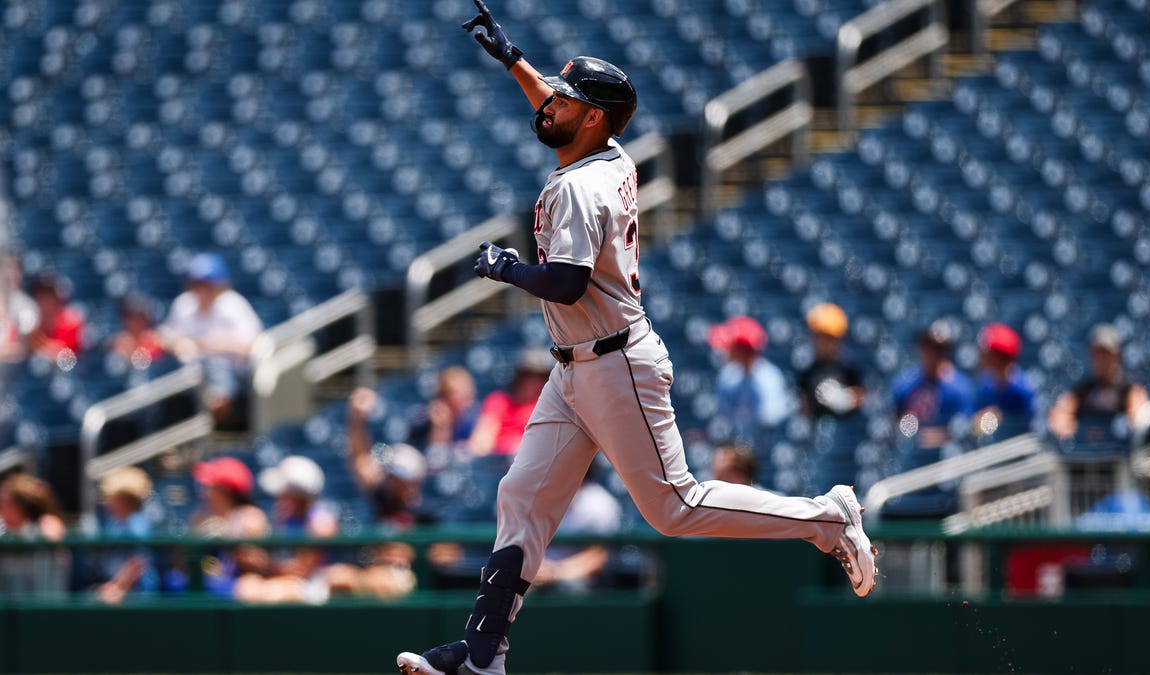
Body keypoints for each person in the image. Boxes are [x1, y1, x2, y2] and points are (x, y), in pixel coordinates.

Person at [394, 4, 876, 674]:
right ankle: (483, 655)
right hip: (578, 367)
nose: (549, 104)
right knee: (521, 496)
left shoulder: (581, 189)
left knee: (674, 507)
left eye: (566, 100)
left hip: (614, 363)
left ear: (591, 116)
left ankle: (827, 518)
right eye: (555, 93)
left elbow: (564, 282)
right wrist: (514, 61)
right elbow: (563, 110)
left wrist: (505, 267)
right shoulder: (605, 149)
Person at [158, 253, 263, 425]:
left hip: (231, 372)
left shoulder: (233, 305)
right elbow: (164, 336)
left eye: (206, 284)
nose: (201, 290)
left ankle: (216, 419)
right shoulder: (184, 305)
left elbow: (255, 344)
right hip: (191, 369)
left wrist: (219, 344)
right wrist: (178, 344)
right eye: (196, 284)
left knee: (218, 370)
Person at [234, 455, 337, 604]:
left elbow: (301, 572)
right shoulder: (286, 515)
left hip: (316, 585)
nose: (279, 498)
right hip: (290, 581)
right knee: (247, 585)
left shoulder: (321, 522)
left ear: (296, 495)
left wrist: (264, 563)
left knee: (258, 590)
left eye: (284, 493)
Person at [347, 387, 437, 529]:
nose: (392, 481)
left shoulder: (427, 514)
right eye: (391, 476)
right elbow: (361, 460)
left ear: (414, 481)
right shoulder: (382, 498)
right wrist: (357, 419)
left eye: (399, 478)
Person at [1048, 323, 1149, 442]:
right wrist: (1068, 428)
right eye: (1097, 354)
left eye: (1106, 354)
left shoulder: (1130, 391)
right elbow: (1060, 414)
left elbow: (1140, 418)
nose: (1102, 360)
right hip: (1087, 457)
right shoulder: (1082, 392)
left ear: (1117, 356)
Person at [532, 462, 621, 593]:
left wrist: (556, 573)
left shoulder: (600, 505)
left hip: (575, 576)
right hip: (540, 570)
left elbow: (598, 556)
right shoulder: (535, 497)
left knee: (572, 586)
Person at [707, 315, 793, 450]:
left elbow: (770, 423)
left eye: (732, 347)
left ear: (743, 350)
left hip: (765, 452)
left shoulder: (769, 379)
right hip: (737, 448)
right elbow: (724, 418)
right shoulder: (728, 375)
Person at [190, 456, 272, 597]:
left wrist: (228, 539)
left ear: (225, 491)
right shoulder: (204, 516)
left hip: (241, 587)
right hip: (217, 584)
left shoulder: (250, 517)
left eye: (210, 486)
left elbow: (256, 564)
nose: (205, 492)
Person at [891, 320, 974, 450]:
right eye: (927, 345)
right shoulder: (905, 383)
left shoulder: (960, 388)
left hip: (948, 455)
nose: (931, 352)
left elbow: (963, 430)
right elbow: (894, 424)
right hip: (913, 454)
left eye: (938, 348)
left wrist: (925, 437)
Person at [467, 349, 553, 457]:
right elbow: (482, 439)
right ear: (519, 376)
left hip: (530, 463)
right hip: (497, 463)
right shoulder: (498, 401)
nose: (536, 382)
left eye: (542, 377)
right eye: (529, 375)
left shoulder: (548, 407)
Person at [94, 466, 159, 604]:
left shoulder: (138, 524)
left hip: (137, 594)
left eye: (111, 497)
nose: (107, 501)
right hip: (119, 590)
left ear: (124, 499)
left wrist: (118, 587)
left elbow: (137, 562)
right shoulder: (114, 523)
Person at [0, 473, 68, 597]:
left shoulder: (46, 524)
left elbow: (54, 536)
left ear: (20, 506)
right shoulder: (3, 530)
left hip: (43, 602)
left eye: (5, 503)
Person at [796, 303, 864, 419]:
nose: (822, 342)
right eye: (818, 336)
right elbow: (803, 409)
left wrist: (846, 399)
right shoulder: (807, 372)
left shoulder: (849, 370)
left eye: (828, 338)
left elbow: (862, 400)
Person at [972, 323, 1037, 438]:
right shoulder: (986, 383)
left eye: (987, 353)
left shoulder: (1023, 390)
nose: (981, 355)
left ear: (998, 357)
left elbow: (1029, 429)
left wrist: (1000, 419)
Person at [407, 366, 480, 461]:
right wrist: (441, 427)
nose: (469, 395)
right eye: (461, 392)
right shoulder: (423, 421)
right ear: (446, 395)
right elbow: (436, 459)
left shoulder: (473, 417)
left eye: (470, 390)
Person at [26, 272, 85, 361]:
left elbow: (65, 357)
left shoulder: (71, 321)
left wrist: (33, 340)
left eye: (48, 297)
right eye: (39, 297)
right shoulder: (28, 321)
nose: (43, 303)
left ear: (59, 299)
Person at [0, 251, 39, 364]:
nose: (9, 275)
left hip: (13, 372)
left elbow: (24, 348)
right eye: (5, 269)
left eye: (14, 270)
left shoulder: (26, 307)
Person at [109, 292, 165, 368]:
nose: (137, 322)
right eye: (131, 317)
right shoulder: (120, 341)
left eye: (140, 317)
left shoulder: (156, 337)